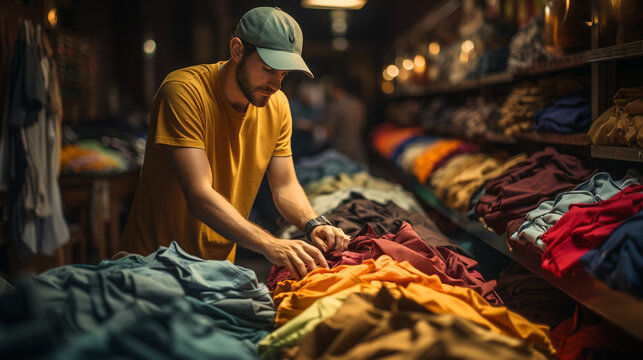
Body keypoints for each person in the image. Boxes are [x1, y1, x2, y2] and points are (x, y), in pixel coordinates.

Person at [121, 7, 349, 278]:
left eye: (284, 75)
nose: (276, 84)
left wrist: (313, 223)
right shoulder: (184, 92)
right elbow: (199, 194)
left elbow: (285, 185)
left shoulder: (277, 106)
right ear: (237, 50)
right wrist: (270, 244)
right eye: (268, 69)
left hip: (217, 270)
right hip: (153, 265)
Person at [324, 77, 367, 164]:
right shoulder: (357, 103)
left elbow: (329, 131)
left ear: (333, 89)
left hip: (340, 149)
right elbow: (362, 125)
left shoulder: (335, 106)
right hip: (357, 147)